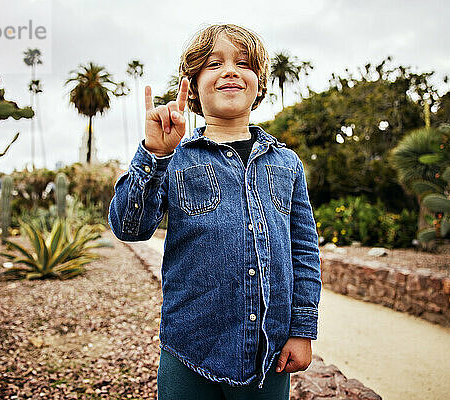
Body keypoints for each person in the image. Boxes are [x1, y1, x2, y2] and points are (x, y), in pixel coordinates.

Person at [108, 23, 321, 400]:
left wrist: (302, 330)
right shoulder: (174, 157)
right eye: (213, 64)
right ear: (192, 85)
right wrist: (155, 155)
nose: (229, 71)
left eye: (243, 63)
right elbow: (130, 227)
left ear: (259, 83)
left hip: (267, 353)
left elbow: (304, 253)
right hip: (188, 348)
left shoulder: (287, 163)